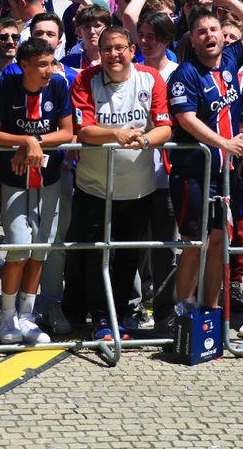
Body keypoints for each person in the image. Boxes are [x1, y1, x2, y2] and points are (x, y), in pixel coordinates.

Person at [66, 26, 173, 339]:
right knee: (97, 254)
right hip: (93, 187)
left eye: (119, 48)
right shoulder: (85, 79)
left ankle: (122, 314)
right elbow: (84, 130)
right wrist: (117, 134)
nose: (114, 54)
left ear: (131, 49)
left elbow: (164, 127)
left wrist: (143, 140)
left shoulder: (150, 78)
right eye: (107, 49)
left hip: (139, 189)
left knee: (127, 257)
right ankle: (100, 318)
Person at [166, 0, 243, 317]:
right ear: (192, 40)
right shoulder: (185, 73)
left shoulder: (232, 59)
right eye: (202, 32)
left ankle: (209, 313)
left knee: (218, 246)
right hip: (194, 175)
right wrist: (225, 143)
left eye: (214, 30)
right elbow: (186, 119)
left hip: (225, 175)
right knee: (195, 246)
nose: (210, 36)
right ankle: (182, 313)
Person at [0, 37, 74, 344]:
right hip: (14, 179)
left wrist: (36, 142)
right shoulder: (5, 87)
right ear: (24, 66)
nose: (49, 70)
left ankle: (27, 315)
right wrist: (25, 140)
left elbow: (67, 131)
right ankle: (6, 315)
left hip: (48, 179)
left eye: (52, 63)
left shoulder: (59, 86)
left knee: (40, 249)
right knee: (19, 247)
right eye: (42, 65)